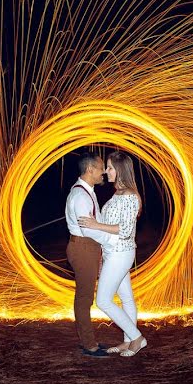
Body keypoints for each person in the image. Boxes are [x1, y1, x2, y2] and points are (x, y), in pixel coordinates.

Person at [78, 151, 146, 357]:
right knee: (126, 298)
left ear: (120, 170)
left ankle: (137, 338)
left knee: (103, 301)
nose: (106, 172)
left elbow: (125, 229)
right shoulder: (118, 193)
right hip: (113, 253)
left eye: (109, 167)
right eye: (106, 168)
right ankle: (128, 341)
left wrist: (95, 224)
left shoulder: (130, 197)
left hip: (121, 253)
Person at [65, 152, 117, 358]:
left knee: (86, 296)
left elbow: (96, 222)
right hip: (84, 247)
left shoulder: (88, 191)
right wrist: (110, 239)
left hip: (89, 247)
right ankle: (89, 345)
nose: (104, 171)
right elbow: (89, 229)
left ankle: (89, 341)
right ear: (90, 170)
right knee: (85, 298)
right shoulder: (80, 196)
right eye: (101, 167)